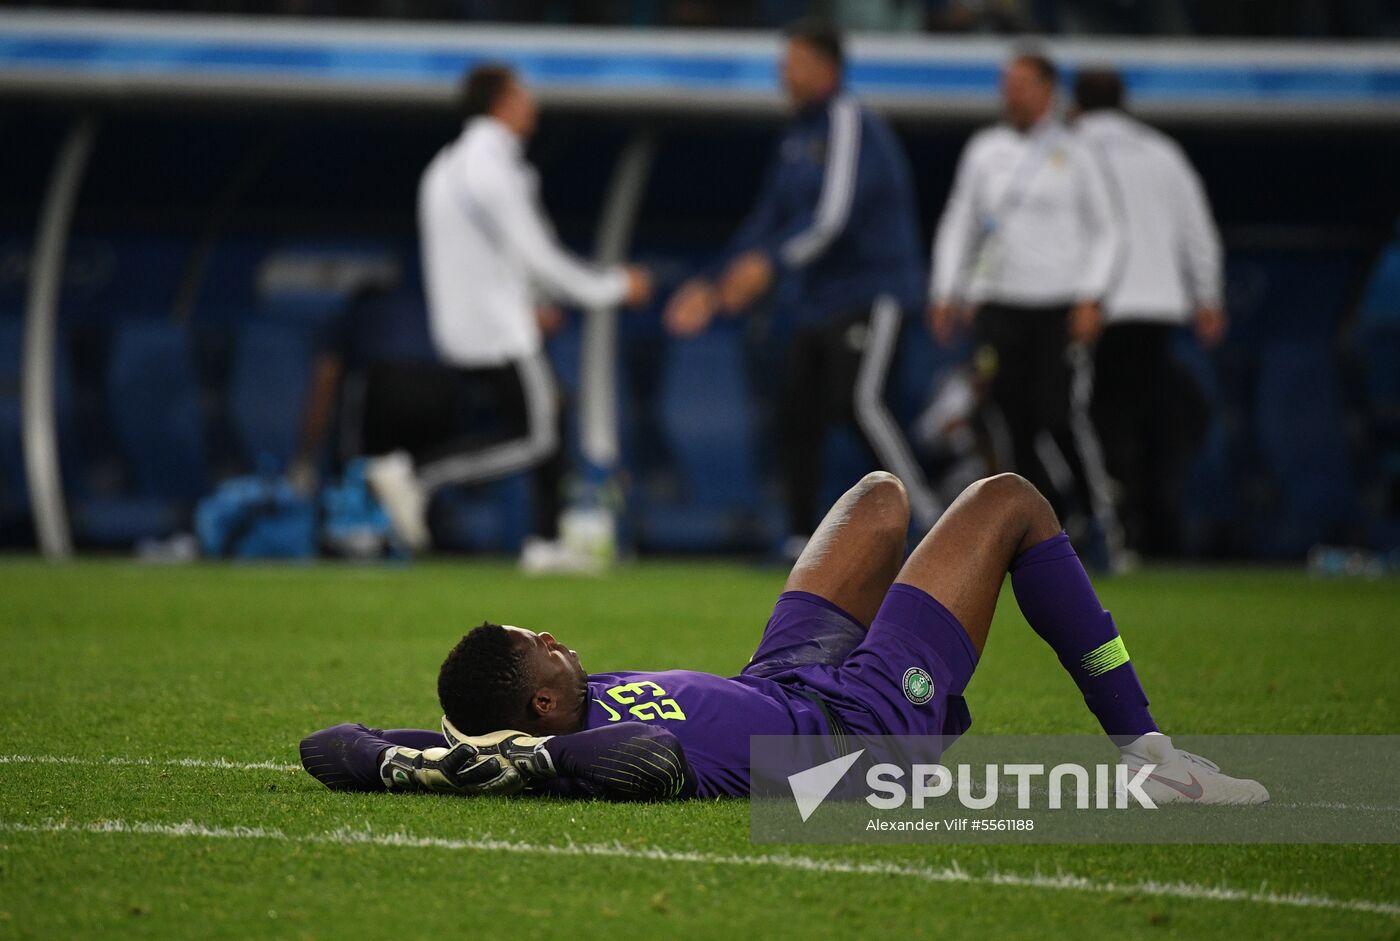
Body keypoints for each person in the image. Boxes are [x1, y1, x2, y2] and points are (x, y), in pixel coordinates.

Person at [300, 470, 1267, 805]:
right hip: (856, 732)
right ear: (542, 701)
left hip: (785, 676)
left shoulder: (513, 727)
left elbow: (330, 744)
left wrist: (421, 759)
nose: (555, 634)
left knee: (881, 501)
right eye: (539, 642)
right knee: (1008, 502)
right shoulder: (580, 746)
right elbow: (646, 757)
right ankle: (1151, 753)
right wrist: (525, 760)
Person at [663, 19, 941, 558]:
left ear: (826, 69)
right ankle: (799, 539)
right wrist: (714, 283)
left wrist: (769, 266)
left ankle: (930, 519)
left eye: (792, 64)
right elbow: (767, 219)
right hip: (816, 299)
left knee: (862, 402)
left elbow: (832, 217)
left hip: (871, 288)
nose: (782, 75)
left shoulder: (847, 120)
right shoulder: (796, 136)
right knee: (798, 412)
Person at [365, 64, 653, 569]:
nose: (532, 104)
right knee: (537, 435)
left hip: (469, 325)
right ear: (499, 102)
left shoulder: (447, 164)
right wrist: (612, 286)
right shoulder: (494, 167)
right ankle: (416, 473)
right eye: (523, 95)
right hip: (500, 329)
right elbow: (538, 253)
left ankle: (546, 544)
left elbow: (487, 253)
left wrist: (532, 300)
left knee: (552, 417)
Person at [928, 51, 1122, 548]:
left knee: (1057, 415)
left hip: (1057, 305)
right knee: (1008, 419)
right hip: (999, 306)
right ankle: (1042, 528)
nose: (1009, 93)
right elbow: (960, 222)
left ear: (1047, 90)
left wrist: (1091, 297)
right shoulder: (984, 149)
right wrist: (945, 289)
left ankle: (1096, 515)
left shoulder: (1076, 151)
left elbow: (1109, 230)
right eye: (1005, 83)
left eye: (1020, 84)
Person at [1072, 68, 1225, 559]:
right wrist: (1208, 299)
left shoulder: (1068, 149)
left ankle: (1117, 532)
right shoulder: (1163, 152)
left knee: (1096, 423)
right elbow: (1197, 229)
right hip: (1159, 307)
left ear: (1077, 101)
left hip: (1096, 306)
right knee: (1145, 419)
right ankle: (1151, 533)